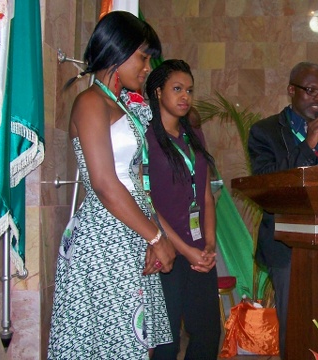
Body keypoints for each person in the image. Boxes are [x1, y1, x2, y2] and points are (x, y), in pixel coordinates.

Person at [48, 12, 211, 359]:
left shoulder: (118, 104)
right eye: (142, 56)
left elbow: (138, 181)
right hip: (105, 235)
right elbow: (105, 183)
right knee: (110, 342)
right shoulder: (90, 102)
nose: (147, 66)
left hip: (129, 230)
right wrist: (155, 237)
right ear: (117, 51)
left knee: (133, 343)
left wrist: (153, 235)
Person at [247, 61, 318, 358]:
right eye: (311, 90)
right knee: (296, 322)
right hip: (287, 245)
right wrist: (307, 144)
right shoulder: (264, 132)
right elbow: (267, 184)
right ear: (291, 90)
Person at [145, 60, 220, 359]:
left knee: (207, 333)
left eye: (189, 90)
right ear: (158, 91)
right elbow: (146, 202)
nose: (185, 96)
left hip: (200, 251)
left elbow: (205, 193)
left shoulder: (195, 136)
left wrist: (210, 244)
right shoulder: (145, 137)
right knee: (167, 343)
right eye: (177, 89)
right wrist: (185, 250)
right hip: (166, 250)